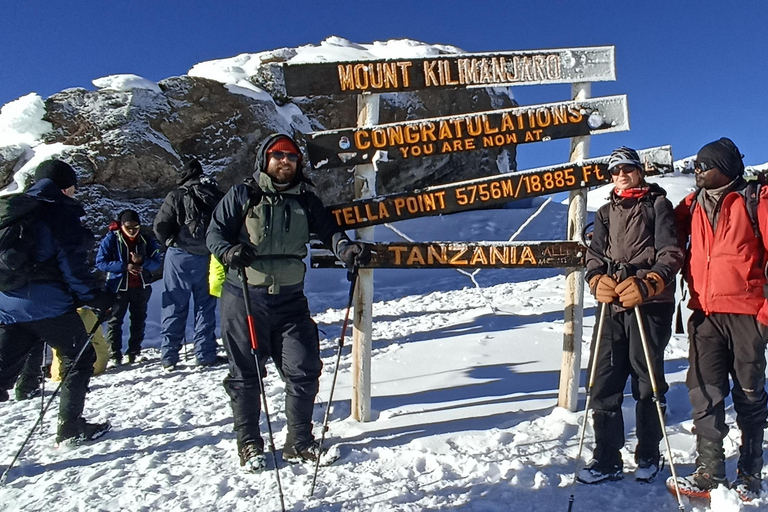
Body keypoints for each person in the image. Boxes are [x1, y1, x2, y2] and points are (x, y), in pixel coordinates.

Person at [206, 133, 370, 472]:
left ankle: (299, 442)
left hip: (291, 301)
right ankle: (249, 443)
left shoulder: (306, 200)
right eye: (279, 155)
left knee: (304, 368)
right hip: (245, 299)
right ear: (265, 159)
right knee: (245, 375)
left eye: (292, 157)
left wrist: (346, 250)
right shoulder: (243, 195)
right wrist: (229, 251)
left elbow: (329, 232)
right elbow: (215, 234)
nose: (285, 161)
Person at [671, 138, 768, 499]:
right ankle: (709, 471)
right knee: (705, 392)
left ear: (724, 167)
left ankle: (750, 471)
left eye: (703, 165)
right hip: (704, 313)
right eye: (695, 165)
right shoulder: (692, 204)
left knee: (749, 394)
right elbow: (667, 232)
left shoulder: (755, 200)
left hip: (747, 314)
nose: (696, 171)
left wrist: (765, 317)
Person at [580, 146, 684, 484]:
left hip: (649, 304)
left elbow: (671, 252)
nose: (621, 175)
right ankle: (606, 458)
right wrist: (596, 279)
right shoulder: (605, 210)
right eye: (614, 170)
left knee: (647, 381)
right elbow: (594, 255)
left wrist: (650, 282)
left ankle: (649, 455)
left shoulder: (658, 205)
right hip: (612, 302)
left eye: (626, 168)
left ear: (639, 170)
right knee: (604, 379)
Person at [0, 159, 113, 444]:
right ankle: (70, 429)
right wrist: (95, 297)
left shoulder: (14, 211)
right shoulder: (59, 213)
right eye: (73, 187)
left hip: (6, 305)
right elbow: (72, 266)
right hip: (47, 305)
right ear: (64, 187)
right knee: (79, 358)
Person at [153, 159, 225, 370]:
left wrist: (169, 242)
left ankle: (169, 356)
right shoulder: (213, 193)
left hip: (179, 256)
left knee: (175, 304)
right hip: (208, 256)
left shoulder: (176, 195)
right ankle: (205, 353)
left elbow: (160, 226)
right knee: (205, 305)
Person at [96, 209, 161, 366]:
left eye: (135, 226)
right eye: (128, 226)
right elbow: (100, 262)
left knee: (138, 319)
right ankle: (115, 354)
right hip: (118, 286)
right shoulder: (112, 239)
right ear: (121, 225)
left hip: (141, 285)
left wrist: (142, 261)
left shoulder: (146, 239)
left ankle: (134, 352)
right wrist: (125, 266)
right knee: (115, 320)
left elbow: (156, 262)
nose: (132, 230)